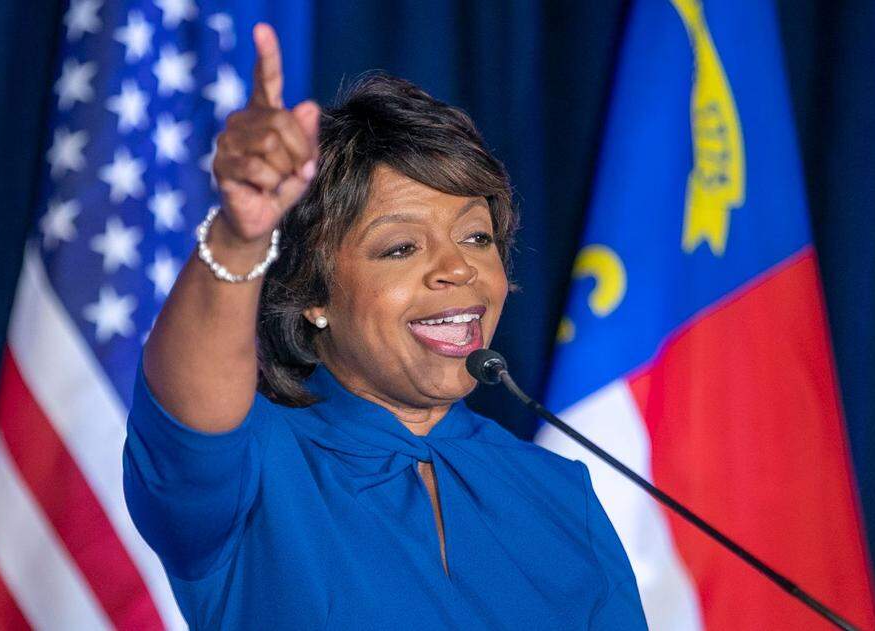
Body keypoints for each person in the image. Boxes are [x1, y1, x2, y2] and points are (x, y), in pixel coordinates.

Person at [123, 23, 647, 630]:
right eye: (400, 248)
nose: (458, 268)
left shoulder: (559, 492)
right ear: (314, 295)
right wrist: (240, 238)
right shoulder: (254, 469)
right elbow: (187, 409)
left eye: (477, 237)